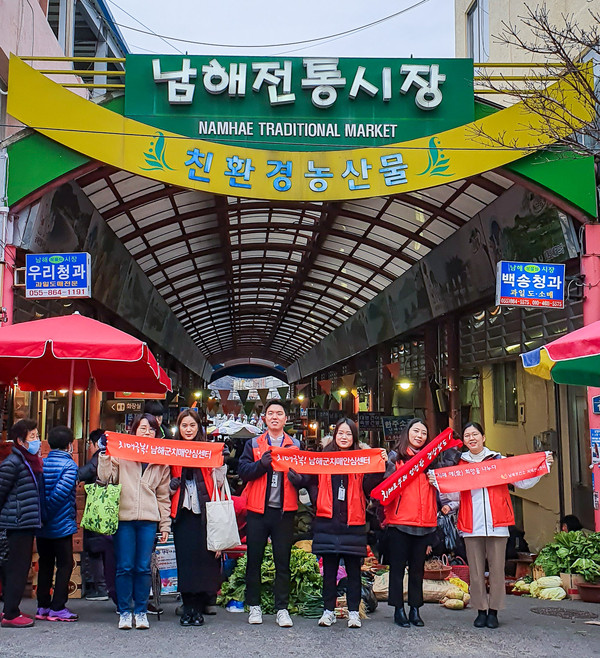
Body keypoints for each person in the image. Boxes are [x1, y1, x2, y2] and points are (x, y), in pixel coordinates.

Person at [450, 422, 553, 630]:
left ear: (483, 437)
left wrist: (542, 467)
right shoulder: (459, 464)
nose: (472, 438)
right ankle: (480, 610)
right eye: (467, 435)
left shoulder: (498, 461)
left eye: (475, 434)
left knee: (497, 570)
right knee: (476, 571)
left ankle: (494, 611)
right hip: (471, 524)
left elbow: (522, 481)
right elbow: (450, 489)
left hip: (498, 523)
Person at [308, 418, 387, 629]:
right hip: (327, 522)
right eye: (340, 433)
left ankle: (354, 612)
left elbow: (369, 487)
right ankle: (328, 611)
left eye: (348, 434)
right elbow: (310, 481)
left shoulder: (362, 459)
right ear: (335, 435)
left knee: (354, 571)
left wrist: (379, 467)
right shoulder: (323, 457)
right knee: (329, 572)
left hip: (354, 522)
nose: (344, 437)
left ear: (354, 437)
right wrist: (316, 497)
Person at [98, 413, 171, 631]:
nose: (147, 432)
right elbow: (105, 478)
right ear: (134, 430)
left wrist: (165, 524)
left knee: (142, 567)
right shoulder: (122, 452)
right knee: (124, 566)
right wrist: (105, 453)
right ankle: (124, 611)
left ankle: (140, 611)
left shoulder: (160, 460)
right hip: (124, 518)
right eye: (143, 428)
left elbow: (163, 496)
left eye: (151, 429)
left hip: (149, 520)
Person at [238, 399, 305, 628]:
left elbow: (306, 475)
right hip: (257, 510)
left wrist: (300, 480)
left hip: (284, 512)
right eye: (270, 413)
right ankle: (254, 606)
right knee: (253, 560)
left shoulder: (295, 445)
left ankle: (282, 609)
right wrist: (261, 466)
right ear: (264, 418)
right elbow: (243, 471)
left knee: (282, 562)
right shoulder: (254, 444)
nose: (275, 417)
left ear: (286, 419)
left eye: (279, 413)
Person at [169, 409, 227, 627]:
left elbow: (219, 482)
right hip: (182, 513)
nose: (188, 430)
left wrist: (220, 463)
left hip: (205, 513)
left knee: (204, 561)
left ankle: (198, 607)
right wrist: (173, 484)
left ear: (199, 428)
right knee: (185, 562)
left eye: (192, 426)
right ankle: (187, 607)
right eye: (184, 426)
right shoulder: (171, 450)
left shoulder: (208, 450)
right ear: (179, 428)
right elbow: (166, 481)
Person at [383, 418, 437, 628]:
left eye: (423, 433)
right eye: (416, 431)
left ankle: (415, 608)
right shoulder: (395, 457)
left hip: (424, 523)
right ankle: (398, 609)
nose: (419, 436)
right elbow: (385, 484)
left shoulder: (432, 460)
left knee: (417, 570)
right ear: (407, 433)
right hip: (399, 522)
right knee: (397, 568)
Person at [0, 420, 43, 628]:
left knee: (19, 566)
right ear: (20, 441)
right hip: (16, 523)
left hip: (25, 521)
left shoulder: (28, 460)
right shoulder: (13, 463)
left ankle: (12, 608)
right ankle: (10, 614)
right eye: (33, 437)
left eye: (37, 436)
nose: (38, 441)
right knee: (17, 568)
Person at [35, 426, 79, 622]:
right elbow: (60, 494)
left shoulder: (41, 463)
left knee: (45, 564)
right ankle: (58, 606)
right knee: (65, 564)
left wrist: (42, 515)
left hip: (42, 525)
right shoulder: (70, 466)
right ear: (69, 445)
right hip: (61, 525)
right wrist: (49, 512)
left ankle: (42, 606)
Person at [78, 429, 116, 602]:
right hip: (108, 509)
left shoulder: (98, 458)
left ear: (94, 444)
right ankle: (103, 586)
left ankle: (100, 587)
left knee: (96, 547)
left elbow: (82, 473)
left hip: (98, 509)